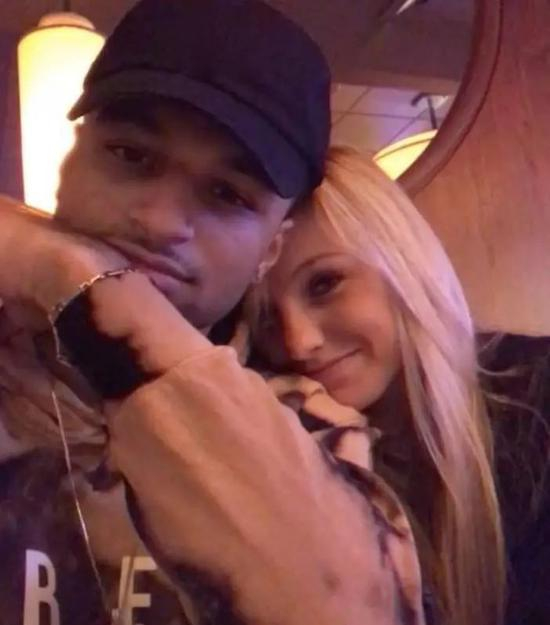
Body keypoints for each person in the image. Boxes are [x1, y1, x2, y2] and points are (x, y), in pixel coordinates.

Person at [0, 1, 426, 624]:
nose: (160, 222)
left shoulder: (308, 433)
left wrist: (75, 276)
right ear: (68, 163)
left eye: (227, 194)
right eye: (130, 155)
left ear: (270, 251)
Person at [246, 146, 506, 625]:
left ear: (400, 261)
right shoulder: (284, 449)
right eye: (264, 317)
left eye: (324, 283)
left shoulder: (535, 404)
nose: (298, 343)